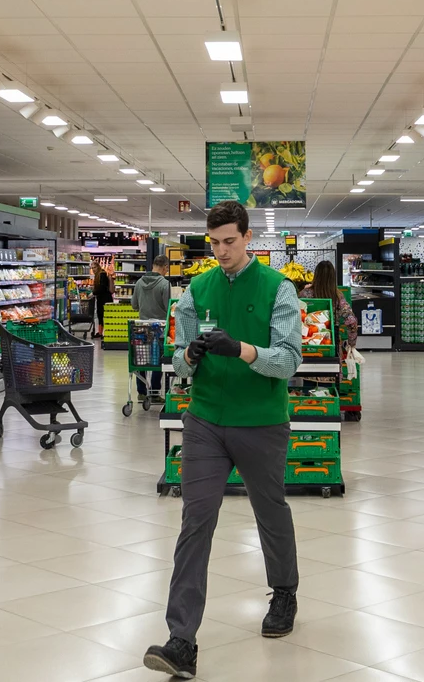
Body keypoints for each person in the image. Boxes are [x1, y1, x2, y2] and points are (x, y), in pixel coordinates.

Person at [144, 201, 303, 679]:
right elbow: (178, 360)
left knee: (270, 511)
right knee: (195, 521)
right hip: (206, 420)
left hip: (261, 420)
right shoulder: (197, 289)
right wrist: (190, 356)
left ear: (248, 237)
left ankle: (284, 593)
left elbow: (288, 360)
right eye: (214, 243)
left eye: (229, 241)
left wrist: (243, 350)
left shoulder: (278, 288)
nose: (221, 251)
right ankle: (181, 640)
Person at [130, 252, 173, 396]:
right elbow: (169, 308)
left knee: (141, 359)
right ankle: (155, 392)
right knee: (158, 359)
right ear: (165, 267)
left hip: (141, 328)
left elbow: (134, 305)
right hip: (160, 328)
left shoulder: (139, 282)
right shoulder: (165, 284)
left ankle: (141, 392)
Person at [307, 259, 354, 361]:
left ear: (316, 275)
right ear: (333, 277)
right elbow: (352, 321)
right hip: (331, 343)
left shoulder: (305, 294)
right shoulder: (338, 297)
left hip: (308, 343)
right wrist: (351, 344)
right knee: (332, 368)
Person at [93, 264, 113, 338]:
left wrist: (93, 293)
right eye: (92, 268)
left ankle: (105, 333)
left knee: (104, 316)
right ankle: (100, 332)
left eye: (94, 267)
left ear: (98, 267)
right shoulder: (98, 275)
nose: (93, 269)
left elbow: (102, 287)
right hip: (100, 298)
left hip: (105, 298)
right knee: (100, 315)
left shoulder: (102, 274)